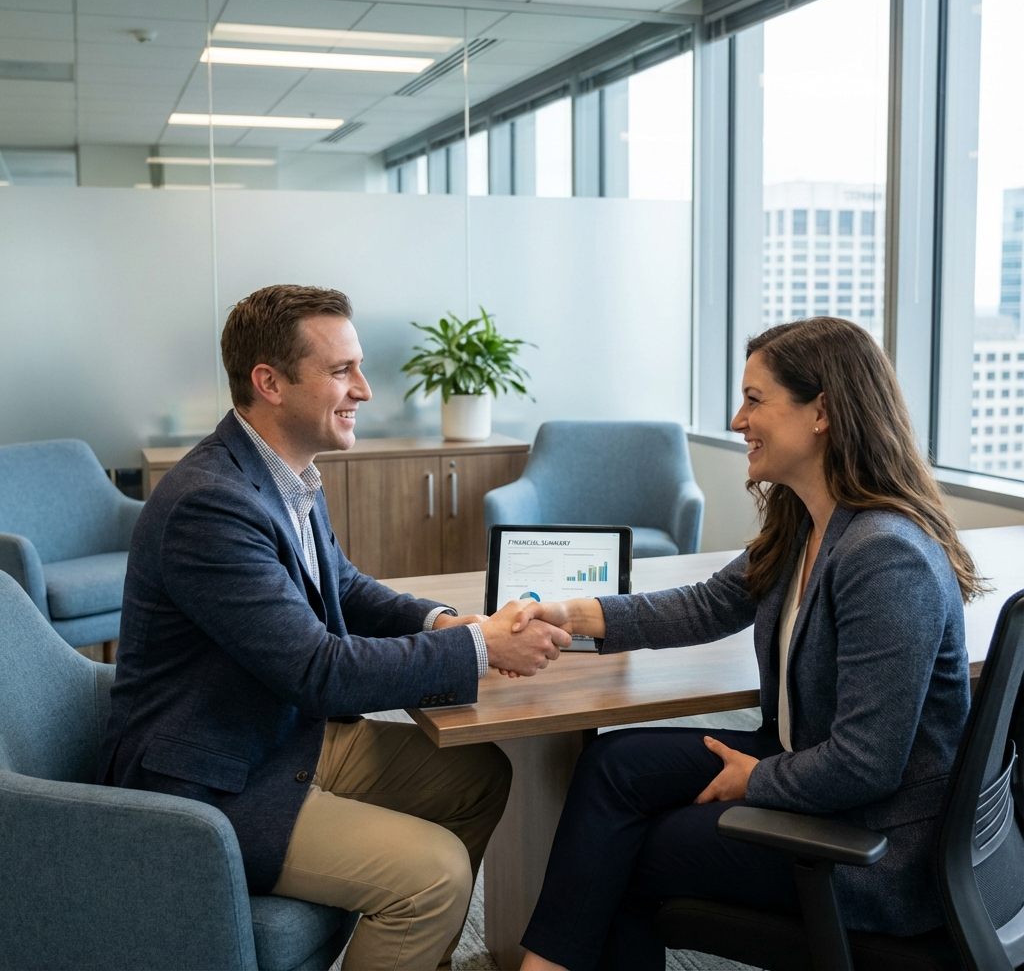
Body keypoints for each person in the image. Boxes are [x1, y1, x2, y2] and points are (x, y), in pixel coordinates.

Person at [97, 283, 571, 971]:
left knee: (477, 774)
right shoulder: (211, 504)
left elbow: (341, 586)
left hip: (275, 733)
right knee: (434, 875)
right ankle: (414, 920)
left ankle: (411, 954)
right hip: (212, 777)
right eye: (342, 370)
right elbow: (317, 671)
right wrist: (478, 646)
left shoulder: (282, 472)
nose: (366, 390)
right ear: (271, 382)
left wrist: (445, 620)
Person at [510, 316, 982, 971]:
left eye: (754, 399)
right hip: (812, 764)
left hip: (871, 839)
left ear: (821, 411)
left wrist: (758, 779)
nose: (737, 420)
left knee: (624, 854)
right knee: (611, 768)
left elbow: (867, 764)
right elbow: (707, 605)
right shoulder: (808, 523)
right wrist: (568, 614)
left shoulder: (885, 556)